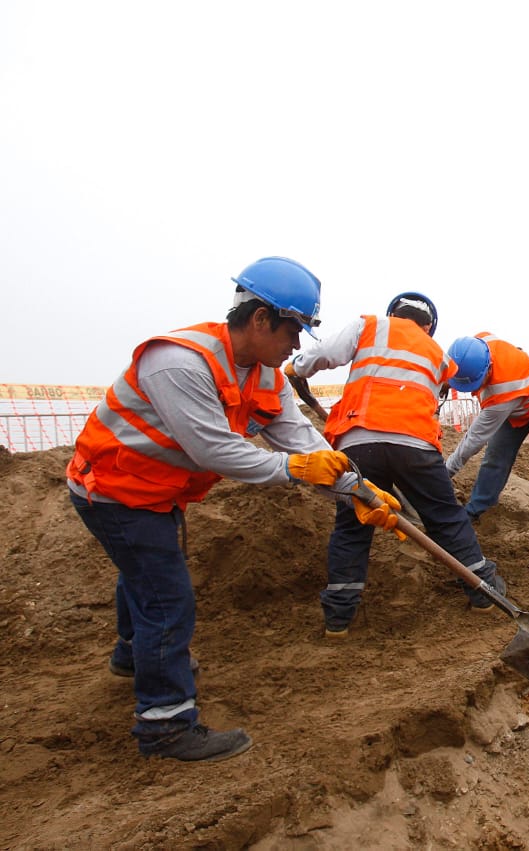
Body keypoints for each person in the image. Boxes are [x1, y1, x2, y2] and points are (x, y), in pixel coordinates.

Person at [66, 257, 398, 763]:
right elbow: (213, 450)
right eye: (294, 330)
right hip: (112, 490)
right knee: (165, 598)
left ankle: (132, 657)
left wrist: (359, 492)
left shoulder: (267, 377)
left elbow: (306, 444)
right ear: (261, 319)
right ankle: (165, 725)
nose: (297, 344)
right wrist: (290, 471)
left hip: (158, 492)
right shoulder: (179, 363)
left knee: (146, 576)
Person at [287, 292, 508, 634]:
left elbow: (322, 355)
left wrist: (294, 367)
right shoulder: (438, 356)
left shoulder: (369, 326)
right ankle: (483, 593)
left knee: (351, 526)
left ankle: (338, 619)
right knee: (446, 518)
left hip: (359, 442)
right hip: (416, 446)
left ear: (393, 312)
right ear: (429, 326)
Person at [443, 333, 529, 532]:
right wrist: (447, 380)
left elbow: (475, 439)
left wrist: (445, 473)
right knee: (496, 455)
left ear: (487, 369)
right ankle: (477, 509)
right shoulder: (477, 345)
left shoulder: (502, 388)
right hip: (518, 405)